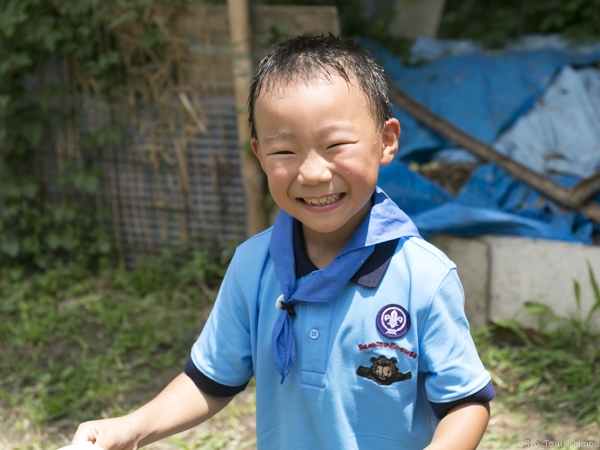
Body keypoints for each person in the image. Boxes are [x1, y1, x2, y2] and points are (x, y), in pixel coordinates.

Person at [71, 35, 494, 450]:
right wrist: (129, 429)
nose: (311, 173)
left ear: (386, 141)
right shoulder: (253, 265)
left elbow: (466, 402)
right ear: (258, 153)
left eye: (335, 145)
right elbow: (210, 381)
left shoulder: (423, 276)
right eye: (284, 152)